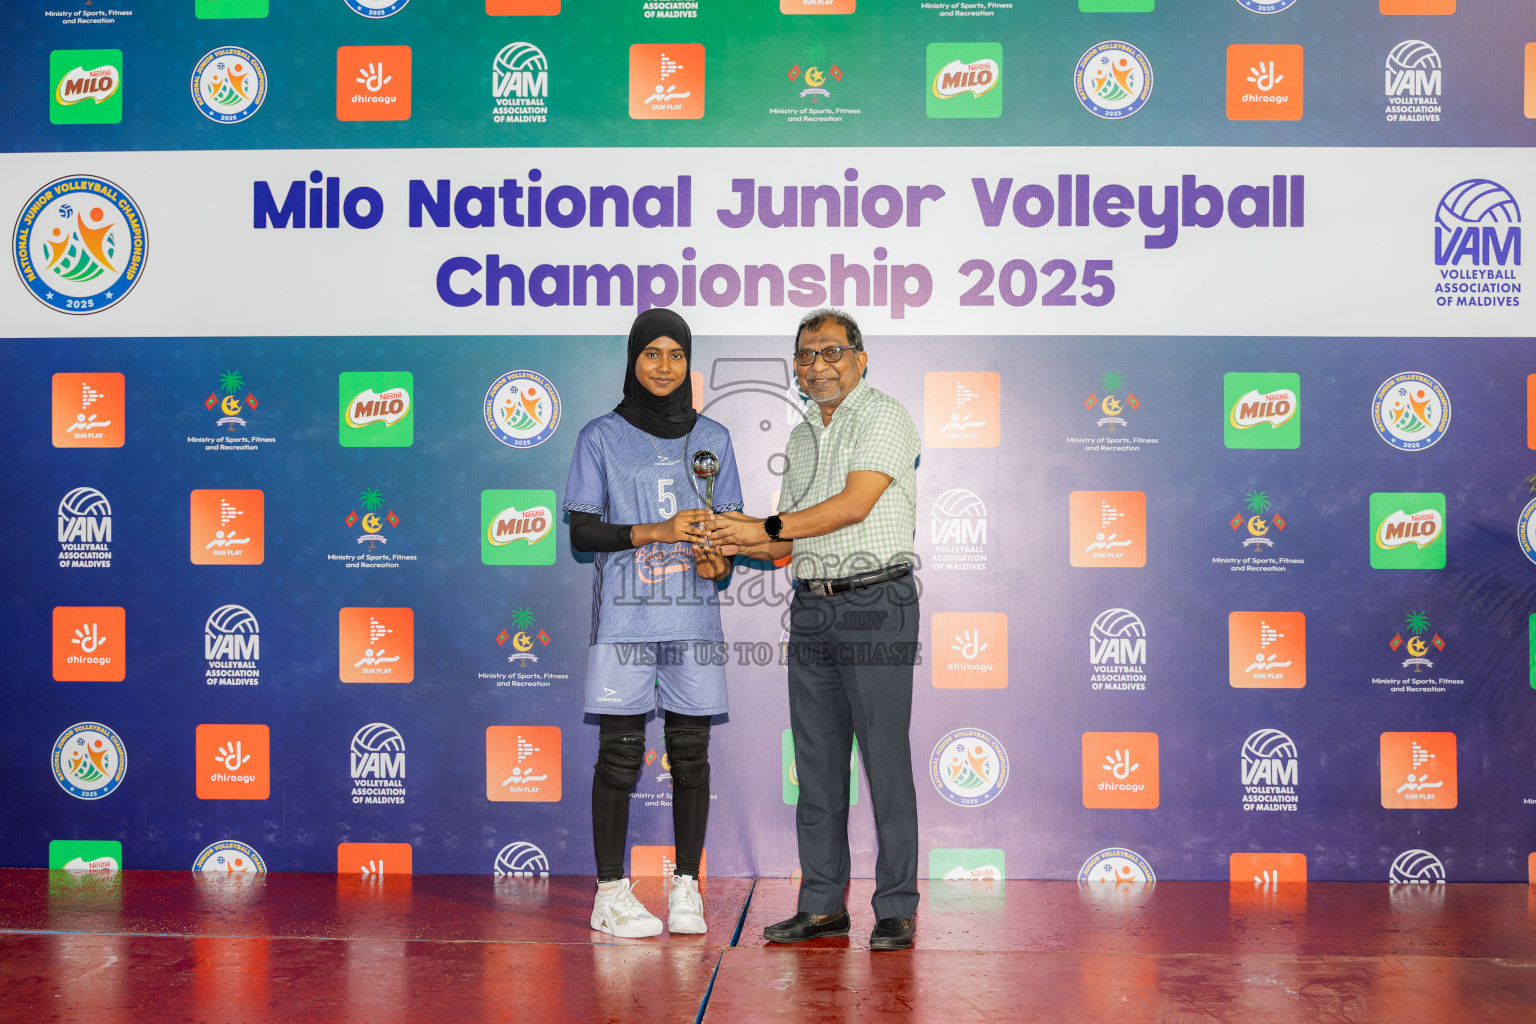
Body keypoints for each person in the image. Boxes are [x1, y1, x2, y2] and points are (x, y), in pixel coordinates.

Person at [703, 308, 922, 951]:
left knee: (884, 761)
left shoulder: (883, 414)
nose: (817, 364)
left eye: (831, 351)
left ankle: (896, 906)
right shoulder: (801, 438)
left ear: (860, 358)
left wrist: (761, 528)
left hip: (876, 600)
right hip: (812, 607)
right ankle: (823, 903)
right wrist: (726, 539)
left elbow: (854, 506)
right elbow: (782, 543)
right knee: (818, 765)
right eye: (805, 355)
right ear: (795, 369)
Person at [563, 308, 740, 938]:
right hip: (626, 618)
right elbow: (582, 529)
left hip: (692, 616)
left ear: (690, 363)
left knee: (691, 753)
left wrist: (719, 556)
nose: (665, 367)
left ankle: (686, 885)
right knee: (620, 754)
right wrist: (656, 532)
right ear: (633, 360)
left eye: (676, 355)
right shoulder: (600, 437)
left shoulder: (714, 437)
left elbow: (731, 533)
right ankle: (610, 893)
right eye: (652, 354)